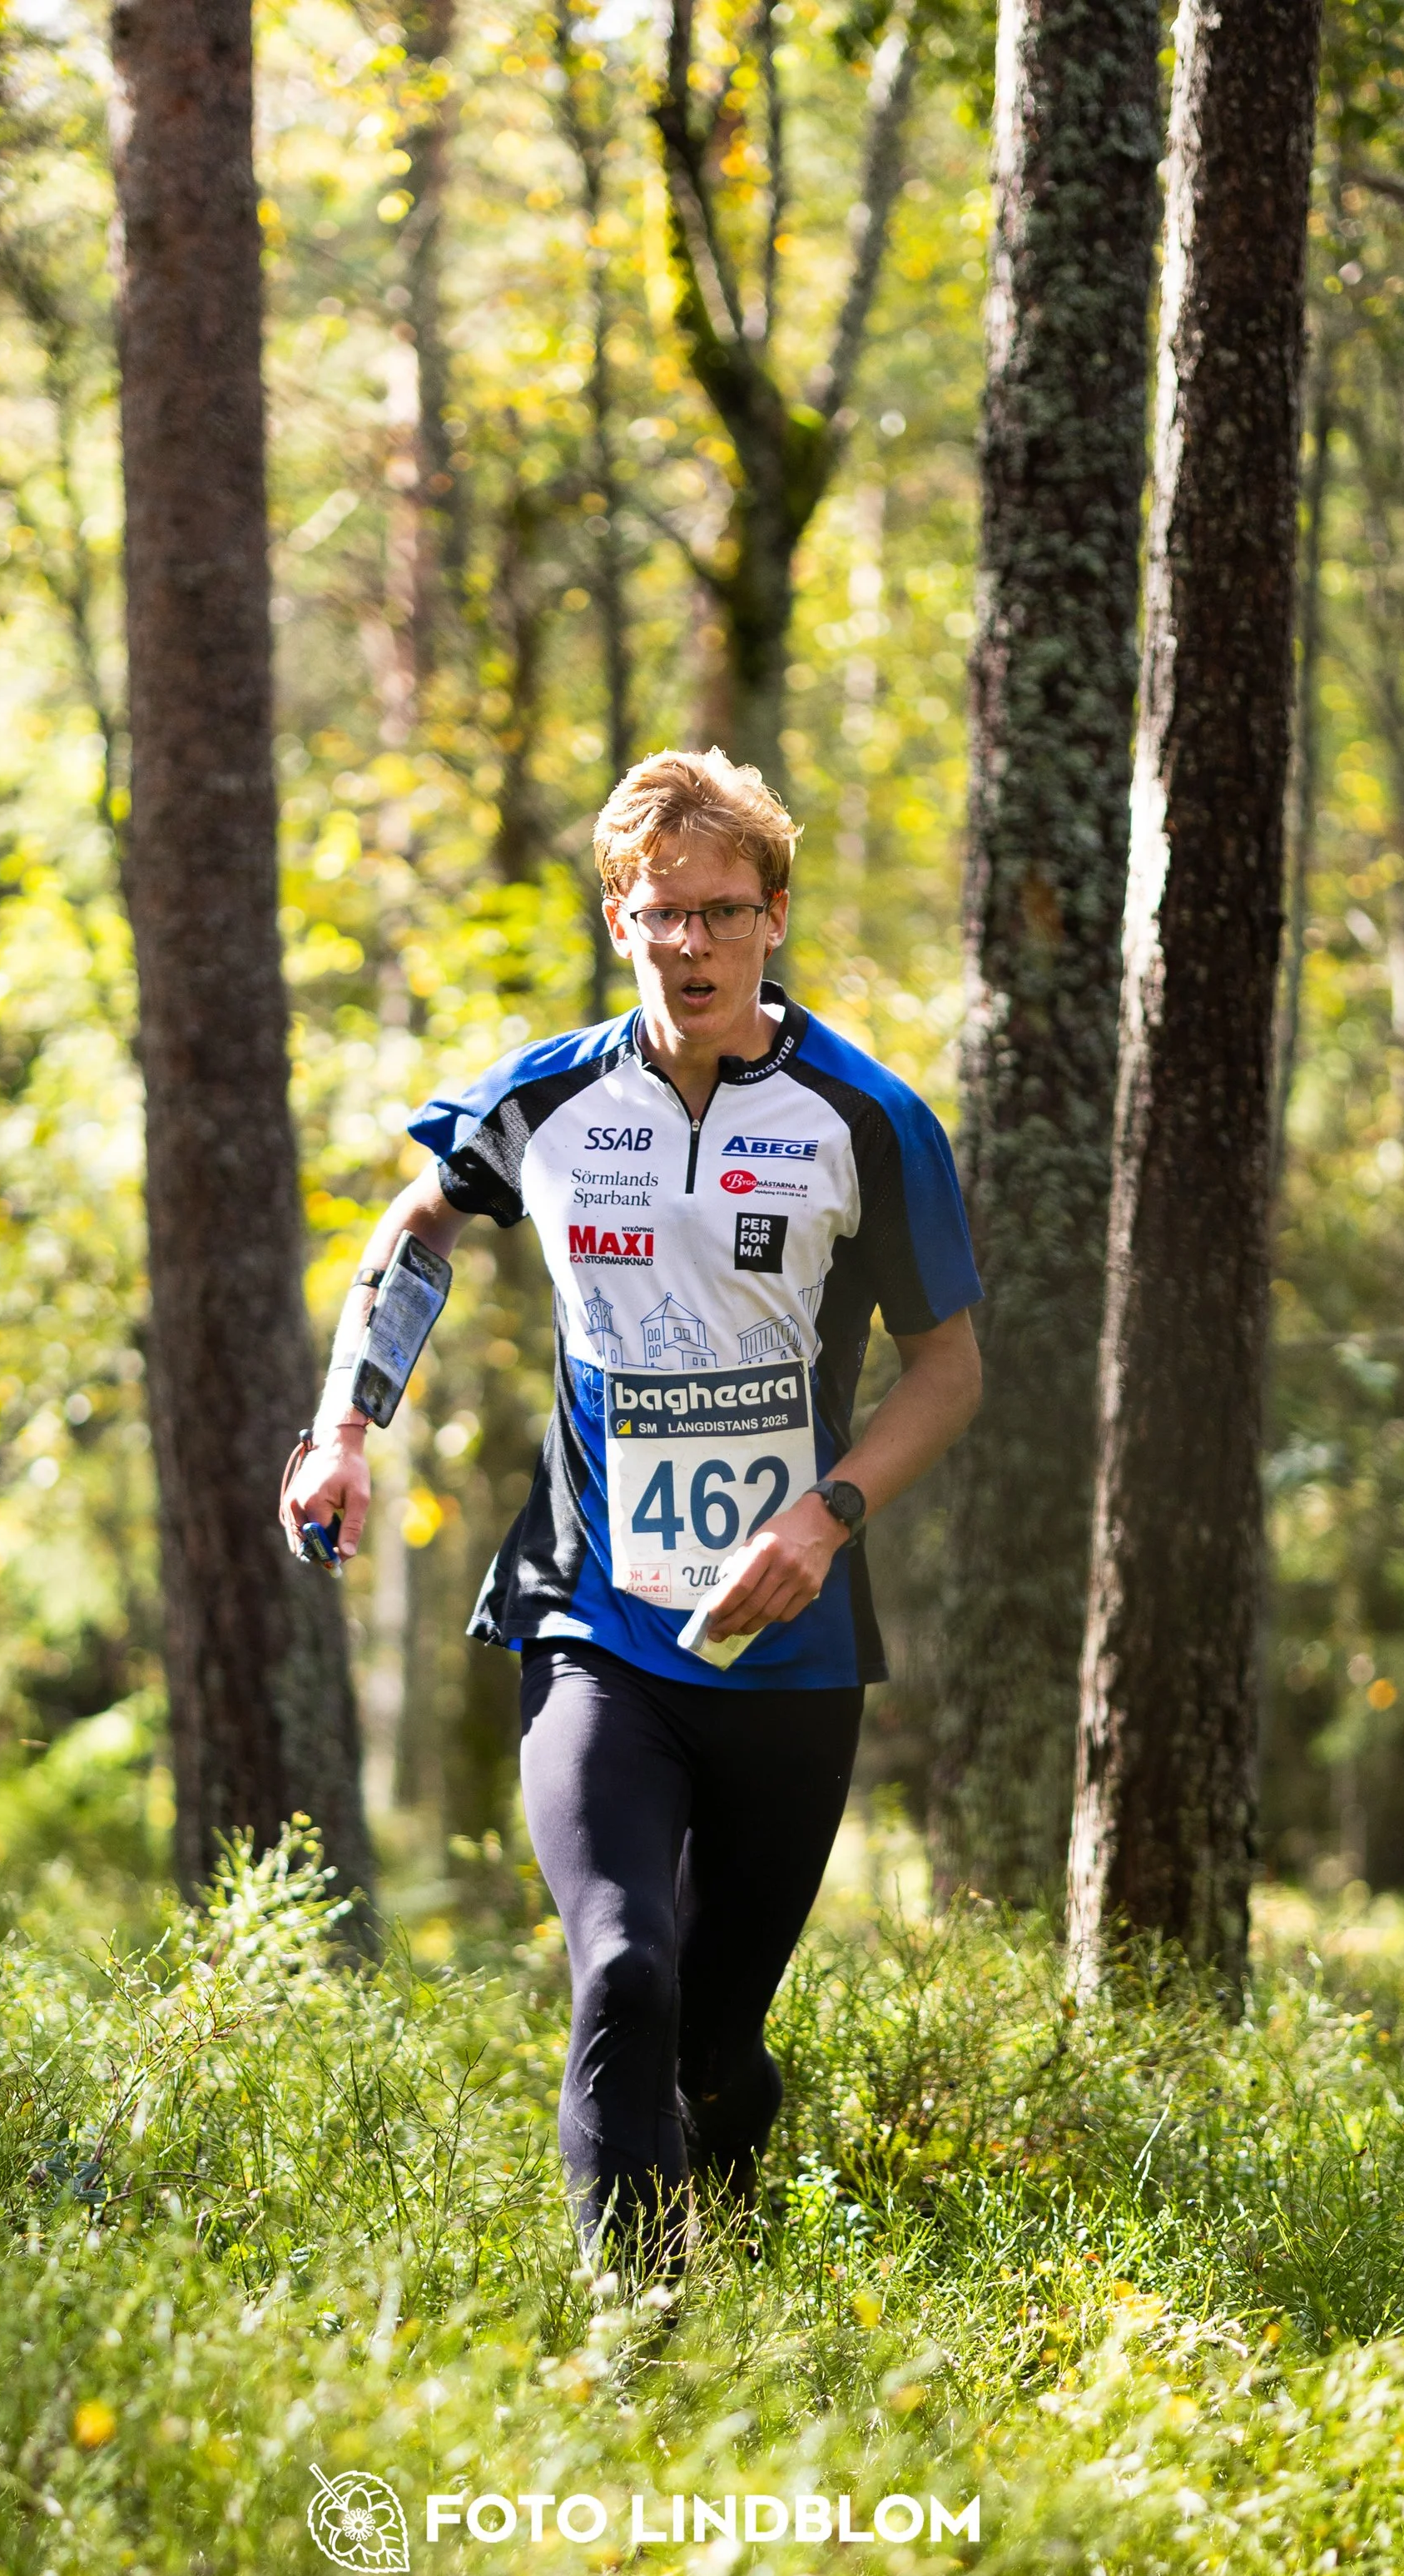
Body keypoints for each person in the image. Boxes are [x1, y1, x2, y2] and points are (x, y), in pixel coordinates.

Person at [281, 747, 981, 2271]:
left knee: (715, 2043)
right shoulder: (545, 1097)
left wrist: (827, 1519)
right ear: (621, 919)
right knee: (624, 1968)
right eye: (662, 913)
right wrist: (344, 1429)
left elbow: (950, 1371)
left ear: (775, 918)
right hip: (593, 1615)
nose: (694, 944)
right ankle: (633, 2336)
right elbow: (414, 1237)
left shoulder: (865, 1120)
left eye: (724, 911)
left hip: (787, 1647)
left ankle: (733, 2236)